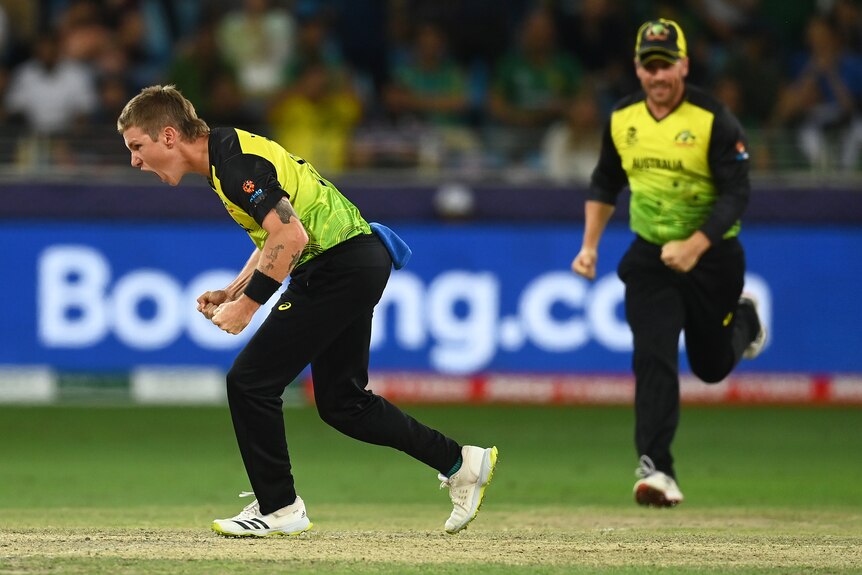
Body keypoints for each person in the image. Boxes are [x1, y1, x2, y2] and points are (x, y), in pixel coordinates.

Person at [116, 85, 498, 536]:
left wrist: (248, 308)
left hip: (338, 266)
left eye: (137, 147)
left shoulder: (234, 164)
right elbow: (274, 236)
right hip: (355, 261)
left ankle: (279, 508)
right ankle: (460, 463)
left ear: (167, 136)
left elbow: (291, 238)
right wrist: (233, 290)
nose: (135, 161)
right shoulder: (226, 159)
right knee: (343, 403)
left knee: (250, 382)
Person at [570, 19, 767, 507]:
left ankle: (744, 316)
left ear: (684, 64)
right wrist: (590, 244)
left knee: (712, 365)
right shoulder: (622, 118)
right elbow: (605, 181)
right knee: (653, 356)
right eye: (649, 65)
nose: (658, 76)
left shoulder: (713, 119)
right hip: (651, 256)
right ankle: (657, 469)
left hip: (713, 258)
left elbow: (737, 193)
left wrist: (695, 245)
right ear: (637, 68)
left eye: (666, 65)